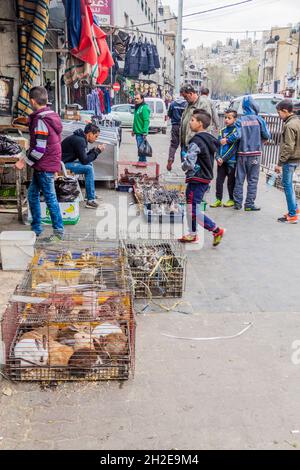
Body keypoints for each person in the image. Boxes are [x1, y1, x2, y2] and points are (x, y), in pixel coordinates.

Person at [179, 109, 225, 247]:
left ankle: (216, 230)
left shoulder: (196, 141)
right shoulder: (209, 138)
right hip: (204, 178)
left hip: (197, 179)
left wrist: (184, 162)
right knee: (191, 207)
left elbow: (189, 163)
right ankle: (192, 234)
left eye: (192, 120)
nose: (190, 123)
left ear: (200, 123)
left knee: (193, 209)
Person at [24, 86, 64, 242]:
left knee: (50, 198)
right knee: (32, 194)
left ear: (33, 101)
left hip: (44, 164)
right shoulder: (51, 116)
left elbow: (39, 149)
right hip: (45, 164)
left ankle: (58, 232)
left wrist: (24, 161)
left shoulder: (41, 120)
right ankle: (36, 228)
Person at [233, 96, 271, 211]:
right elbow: (267, 136)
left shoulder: (240, 120)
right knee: (253, 180)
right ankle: (249, 204)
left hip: (241, 154)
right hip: (255, 155)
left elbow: (237, 136)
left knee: (239, 179)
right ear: (254, 106)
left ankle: (237, 203)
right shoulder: (259, 120)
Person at [62, 124, 106, 209]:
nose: (96, 138)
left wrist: (94, 150)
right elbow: (84, 160)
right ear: (89, 133)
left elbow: (84, 157)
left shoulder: (80, 138)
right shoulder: (80, 140)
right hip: (62, 165)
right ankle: (90, 200)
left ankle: (89, 194)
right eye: (95, 136)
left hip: (66, 162)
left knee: (89, 165)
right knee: (88, 169)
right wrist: (97, 151)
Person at [275, 100, 300, 224]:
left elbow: (288, 146)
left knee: (288, 186)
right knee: (288, 185)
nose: (278, 115)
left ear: (285, 111)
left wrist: (280, 163)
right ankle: (294, 209)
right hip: (296, 159)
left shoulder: (289, 125)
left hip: (290, 160)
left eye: (279, 112)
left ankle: (292, 214)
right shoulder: (297, 121)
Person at [210, 109, 239, 208]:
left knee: (231, 182)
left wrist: (224, 158)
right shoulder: (222, 131)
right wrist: (217, 157)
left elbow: (233, 148)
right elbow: (217, 145)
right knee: (219, 181)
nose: (226, 120)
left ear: (235, 119)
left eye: (229, 118)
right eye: (225, 117)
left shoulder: (236, 131)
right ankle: (218, 199)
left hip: (231, 161)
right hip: (220, 161)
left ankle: (231, 199)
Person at [180, 85, 212, 152]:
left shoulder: (203, 104)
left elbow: (207, 125)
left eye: (185, 96)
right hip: (185, 144)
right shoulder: (188, 104)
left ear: (191, 94)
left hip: (195, 145)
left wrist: (198, 142)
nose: (185, 99)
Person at [166, 94, 187, 171]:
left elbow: (169, 115)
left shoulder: (173, 104)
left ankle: (170, 159)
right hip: (184, 127)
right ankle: (184, 163)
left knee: (173, 145)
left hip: (175, 126)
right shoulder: (187, 104)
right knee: (184, 145)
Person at [132, 93, 151, 162]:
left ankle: (142, 162)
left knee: (141, 149)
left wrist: (145, 132)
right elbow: (135, 120)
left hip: (141, 133)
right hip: (137, 132)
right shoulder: (137, 107)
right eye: (135, 99)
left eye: (138, 98)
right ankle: (141, 161)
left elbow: (146, 121)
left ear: (142, 99)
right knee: (140, 149)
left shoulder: (144, 107)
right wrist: (133, 130)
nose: (136, 100)